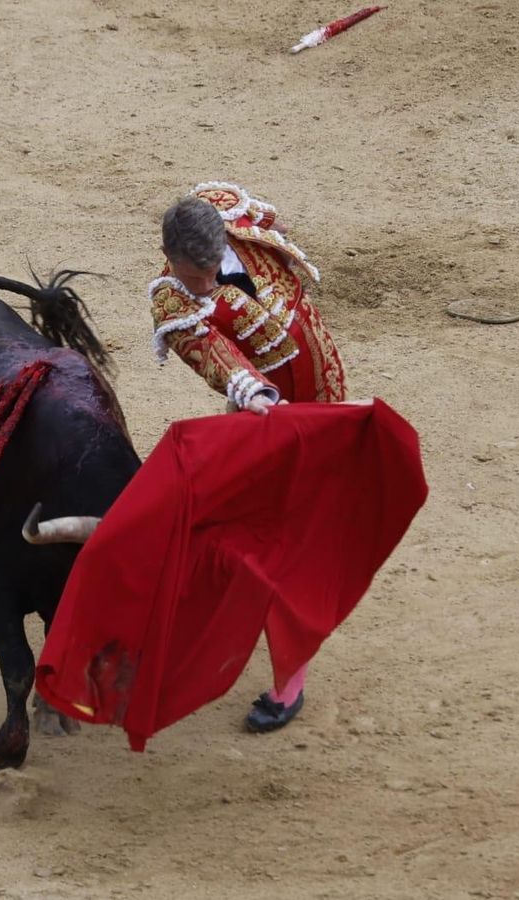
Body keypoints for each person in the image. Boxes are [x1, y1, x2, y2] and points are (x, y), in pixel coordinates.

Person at [148, 181, 349, 733]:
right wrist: (252, 391)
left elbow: (270, 219)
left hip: (326, 390)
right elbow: (214, 355)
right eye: (197, 277)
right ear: (169, 258)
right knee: (279, 548)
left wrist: (278, 235)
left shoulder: (225, 211)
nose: (208, 286)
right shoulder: (172, 300)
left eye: (213, 270)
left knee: (289, 541)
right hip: (270, 417)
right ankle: (288, 680)